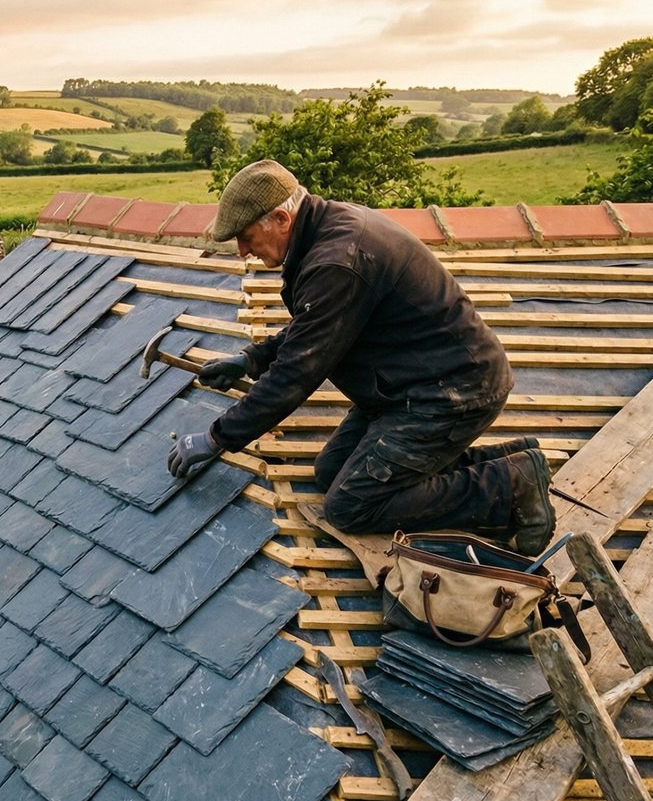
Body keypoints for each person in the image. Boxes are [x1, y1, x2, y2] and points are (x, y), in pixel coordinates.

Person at [165, 159, 555, 554]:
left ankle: (510, 485)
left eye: (247, 237)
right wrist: (252, 359)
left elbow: (298, 372)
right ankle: (510, 462)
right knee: (331, 473)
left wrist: (217, 437)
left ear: (281, 218)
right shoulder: (326, 228)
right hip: (404, 383)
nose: (242, 251)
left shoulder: (338, 260)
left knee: (351, 506)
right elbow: (320, 324)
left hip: (451, 392)